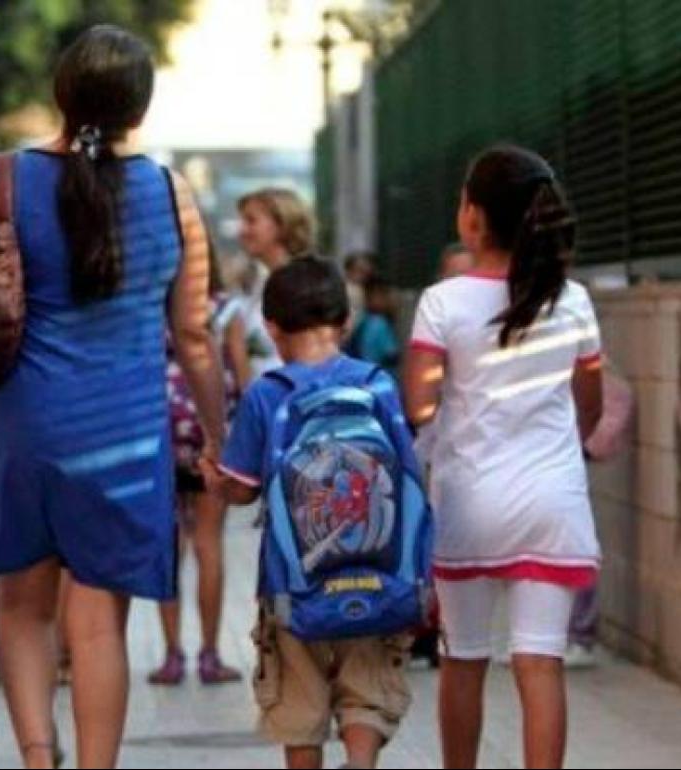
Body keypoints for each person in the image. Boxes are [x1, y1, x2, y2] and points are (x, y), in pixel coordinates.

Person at [0, 26, 227, 769]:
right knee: (99, 625)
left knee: (21, 610)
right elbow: (194, 334)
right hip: (125, 438)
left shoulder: (3, 180)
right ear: (139, 108)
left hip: (26, 428)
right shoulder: (170, 194)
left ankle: (38, 759)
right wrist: (217, 437)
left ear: (61, 94)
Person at [404, 145, 604, 770]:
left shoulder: (443, 302)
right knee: (539, 661)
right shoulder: (573, 301)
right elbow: (590, 408)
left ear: (473, 217)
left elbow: (418, 404)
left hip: (469, 502)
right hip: (552, 503)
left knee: (463, 657)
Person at [208, 258, 413, 770]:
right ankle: (360, 764)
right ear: (346, 321)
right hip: (376, 577)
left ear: (272, 327)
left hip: (293, 585)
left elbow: (243, 490)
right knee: (367, 690)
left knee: (299, 705)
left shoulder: (267, 393)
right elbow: (409, 474)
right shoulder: (377, 385)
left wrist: (217, 482)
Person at [149, 244, 246, 686]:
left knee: (169, 544)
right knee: (209, 543)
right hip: (211, 432)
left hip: (161, 435)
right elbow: (241, 376)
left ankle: (172, 654)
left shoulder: (153, 308)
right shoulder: (225, 310)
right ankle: (210, 654)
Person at [236, 188, 315, 380]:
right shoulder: (257, 282)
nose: (242, 231)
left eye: (251, 221)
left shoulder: (304, 285)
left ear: (282, 225)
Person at [347, 276, 402, 377]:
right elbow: (390, 355)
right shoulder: (378, 324)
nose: (392, 301)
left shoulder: (364, 321)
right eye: (387, 295)